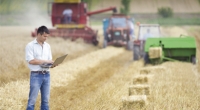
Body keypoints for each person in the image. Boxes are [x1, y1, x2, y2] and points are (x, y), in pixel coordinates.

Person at [25, 26, 55, 110]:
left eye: (47, 36)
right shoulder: (30, 46)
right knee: (32, 101)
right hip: (36, 75)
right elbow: (31, 61)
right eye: (44, 36)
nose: (46, 38)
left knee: (45, 101)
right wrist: (47, 61)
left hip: (47, 74)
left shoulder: (48, 46)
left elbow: (49, 60)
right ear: (38, 34)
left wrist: (53, 64)